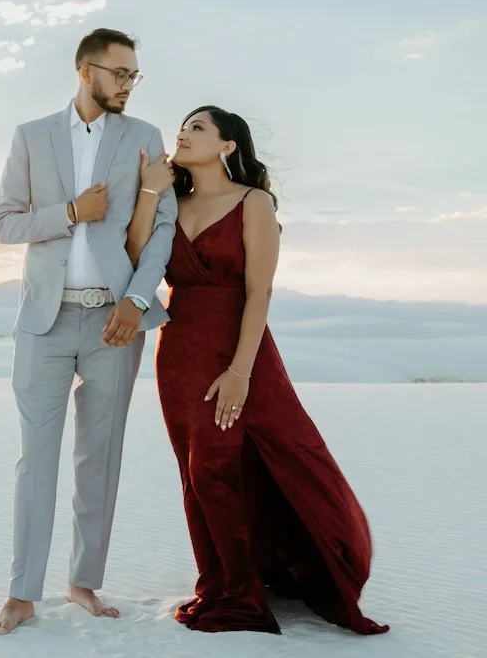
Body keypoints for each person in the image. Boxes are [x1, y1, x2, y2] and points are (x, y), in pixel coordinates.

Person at [127, 105, 389, 635]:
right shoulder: (169, 204)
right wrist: (150, 193)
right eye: (182, 125)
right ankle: (224, 579)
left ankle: (242, 593)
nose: (184, 133)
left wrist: (241, 371)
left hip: (238, 351)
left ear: (228, 146)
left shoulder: (253, 202)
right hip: (178, 352)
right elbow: (137, 259)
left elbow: (258, 290)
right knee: (197, 472)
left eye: (197, 127)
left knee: (227, 467)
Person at [0, 28, 178, 634]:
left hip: (116, 322)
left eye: (134, 75)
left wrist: (137, 300)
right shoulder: (31, 136)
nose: (128, 84)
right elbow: (5, 224)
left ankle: (83, 582)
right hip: (43, 321)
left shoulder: (145, 139)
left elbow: (162, 228)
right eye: (120, 73)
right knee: (34, 460)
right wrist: (70, 213)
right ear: (84, 70)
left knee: (101, 457)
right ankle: (22, 593)